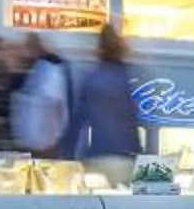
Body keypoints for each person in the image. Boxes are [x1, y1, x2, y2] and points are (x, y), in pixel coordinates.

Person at [73, 24, 141, 186]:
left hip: (96, 156)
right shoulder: (130, 78)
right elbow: (137, 121)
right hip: (125, 157)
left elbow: (76, 123)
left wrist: (68, 156)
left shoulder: (91, 77)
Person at [12, 33, 80, 157]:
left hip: (47, 143)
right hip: (41, 141)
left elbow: (56, 105)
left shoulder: (50, 70)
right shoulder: (39, 69)